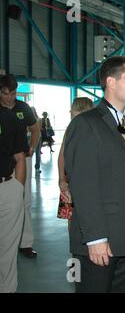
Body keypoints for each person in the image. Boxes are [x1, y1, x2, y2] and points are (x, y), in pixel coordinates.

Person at [63, 56, 125, 293]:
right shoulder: (86, 124)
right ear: (111, 83)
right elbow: (84, 186)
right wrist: (95, 238)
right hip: (101, 238)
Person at [0, 74, 40, 259]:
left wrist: (31, 148)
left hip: (22, 159)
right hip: (3, 162)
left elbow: (35, 129)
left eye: (13, 93)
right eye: (5, 93)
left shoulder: (23, 108)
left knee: (23, 202)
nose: (9, 97)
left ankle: (25, 243)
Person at [0, 105, 26, 293]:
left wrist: (18, 189)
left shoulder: (9, 119)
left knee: (7, 250)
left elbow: (19, 156)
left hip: (7, 188)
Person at [57, 97, 94, 227]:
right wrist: (62, 179)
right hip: (70, 181)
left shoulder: (94, 131)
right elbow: (61, 156)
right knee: (70, 218)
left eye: (72, 111)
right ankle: (74, 247)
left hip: (86, 181)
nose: (70, 113)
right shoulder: (70, 130)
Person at [30, 107, 42, 174]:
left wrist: (32, 129)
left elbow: (39, 129)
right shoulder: (27, 119)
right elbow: (28, 129)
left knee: (37, 153)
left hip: (38, 137)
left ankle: (37, 168)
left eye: (32, 110)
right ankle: (28, 167)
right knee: (29, 153)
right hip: (29, 137)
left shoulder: (39, 119)